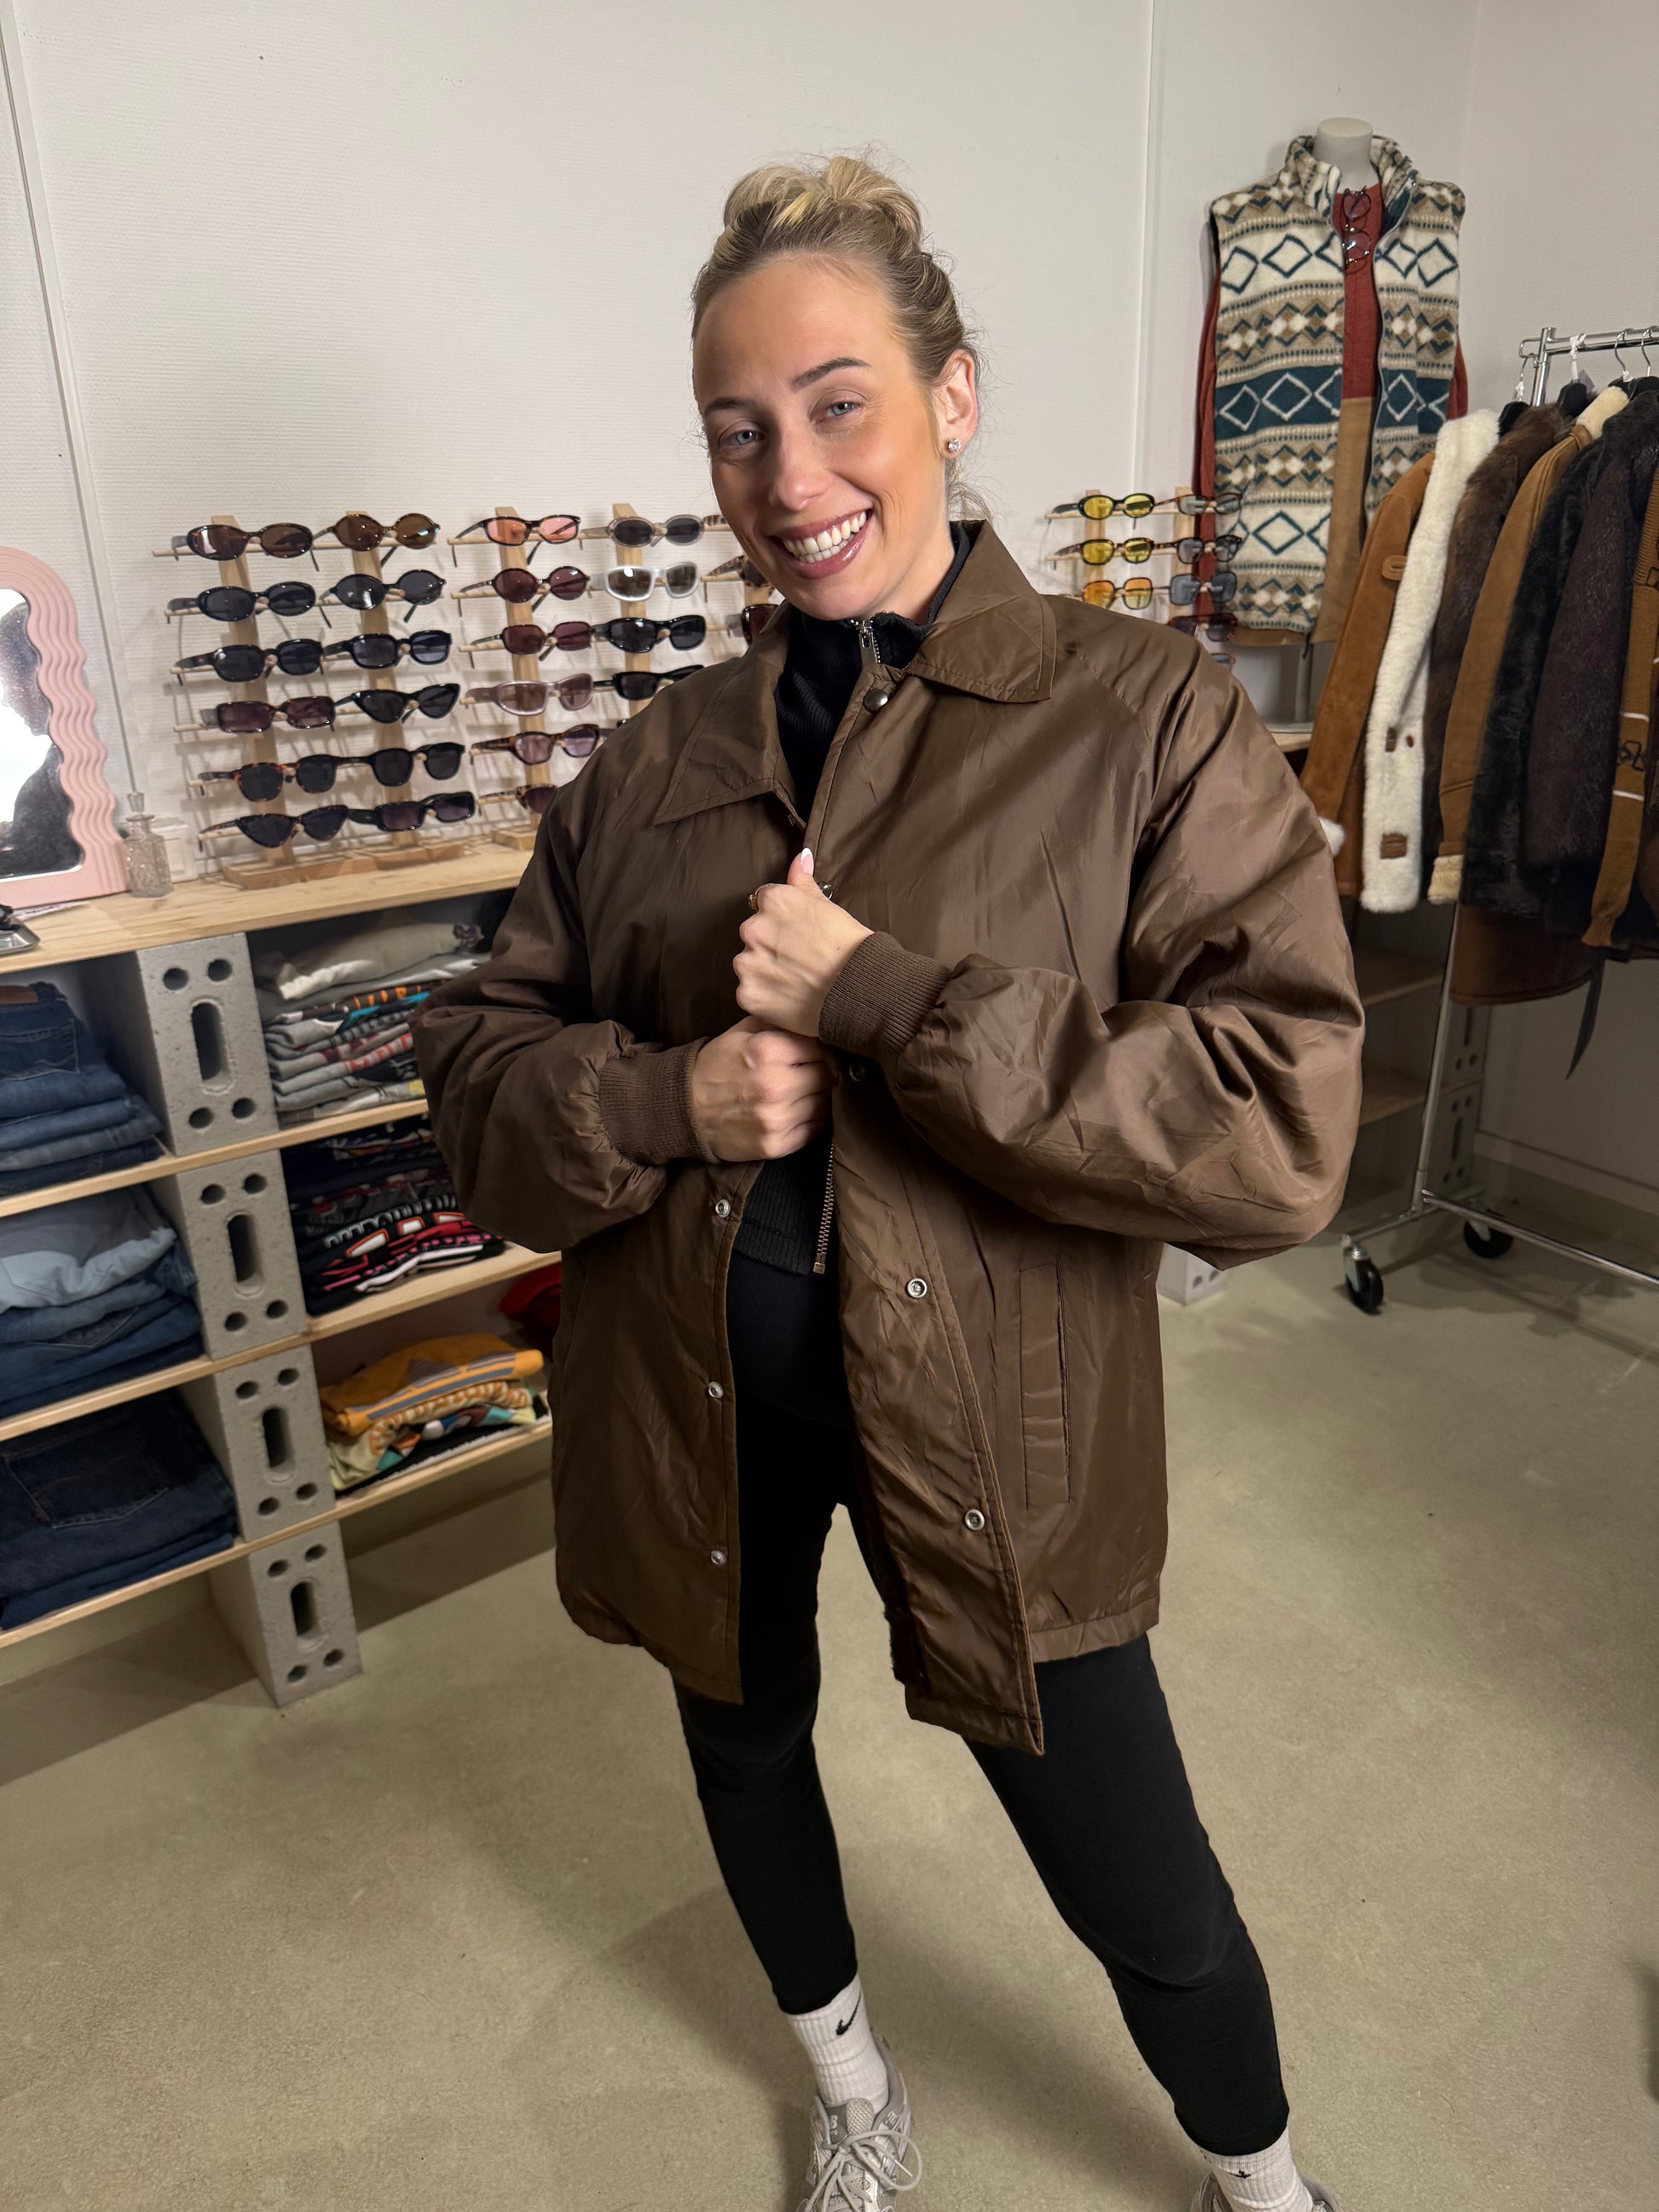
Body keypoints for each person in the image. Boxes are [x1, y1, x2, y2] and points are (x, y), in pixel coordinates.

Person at [416, 153, 1363, 2212]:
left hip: (1003, 1422)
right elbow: (473, 1073)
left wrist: (893, 1001)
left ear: (952, 393)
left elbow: (1277, 1122)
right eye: (736, 428)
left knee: (1137, 1870)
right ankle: (847, 2074)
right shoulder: (655, 760)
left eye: (837, 401)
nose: (789, 475)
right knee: (746, 1746)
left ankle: (1263, 2174)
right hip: (694, 1400)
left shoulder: (1140, 716)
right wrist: (665, 1097)